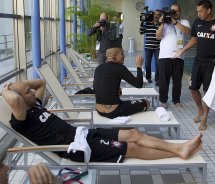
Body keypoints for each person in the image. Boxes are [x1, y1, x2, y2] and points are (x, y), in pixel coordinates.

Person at [2, 79, 202, 164]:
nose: (31, 91)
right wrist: (5, 89)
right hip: (76, 147)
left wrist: (19, 86)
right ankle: (178, 151)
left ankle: (178, 148)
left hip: (80, 133)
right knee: (130, 147)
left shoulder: (34, 104)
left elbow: (41, 83)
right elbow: (15, 99)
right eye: (27, 91)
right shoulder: (21, 119)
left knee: (133, 133)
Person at [174, 0, 215, 131]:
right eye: (197, 11)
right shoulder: (197, 23)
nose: (198, 13)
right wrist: (182, 50)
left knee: (207, 91)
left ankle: (204, 117)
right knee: (193, 88)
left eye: (200, 11)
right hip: (198, 61)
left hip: (212, 63)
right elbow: (194, 38)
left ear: (208, 10)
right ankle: (200, 110)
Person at [94, 48, 150, 119]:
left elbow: (97, 89)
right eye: (122, 54)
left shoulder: (98, 68)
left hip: (99, 110)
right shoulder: (120, 68)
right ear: (115, 56)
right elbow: (139, 84)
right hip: (114, 111)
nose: (124, 56)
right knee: (147, 102)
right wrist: (139, 66)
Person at [156, 3, 190, 109]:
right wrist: (162, 23)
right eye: (172, 11)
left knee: (177, 81)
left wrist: (174, 22)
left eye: (175, 11)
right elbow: (158, 36)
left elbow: (187, 31)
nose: (173, 13)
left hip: (179, 56)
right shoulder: (164, 22)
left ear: (179, 12)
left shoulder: (184, 22)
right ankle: (163, 101)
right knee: (163, 80)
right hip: (164, 56)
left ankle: (176, 100)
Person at [139, 9, 161, 85]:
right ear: (153, 15)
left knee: (158, 64)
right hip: (148, 47)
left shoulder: (161, 24)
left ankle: (157, 80)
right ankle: (148, 78)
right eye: (155, 14)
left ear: (160, 16)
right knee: (147, 63)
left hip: (158, 47)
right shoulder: (147, 23)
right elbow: (141, 32)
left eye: (158, 14)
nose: (156, 16)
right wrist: (142, 23)